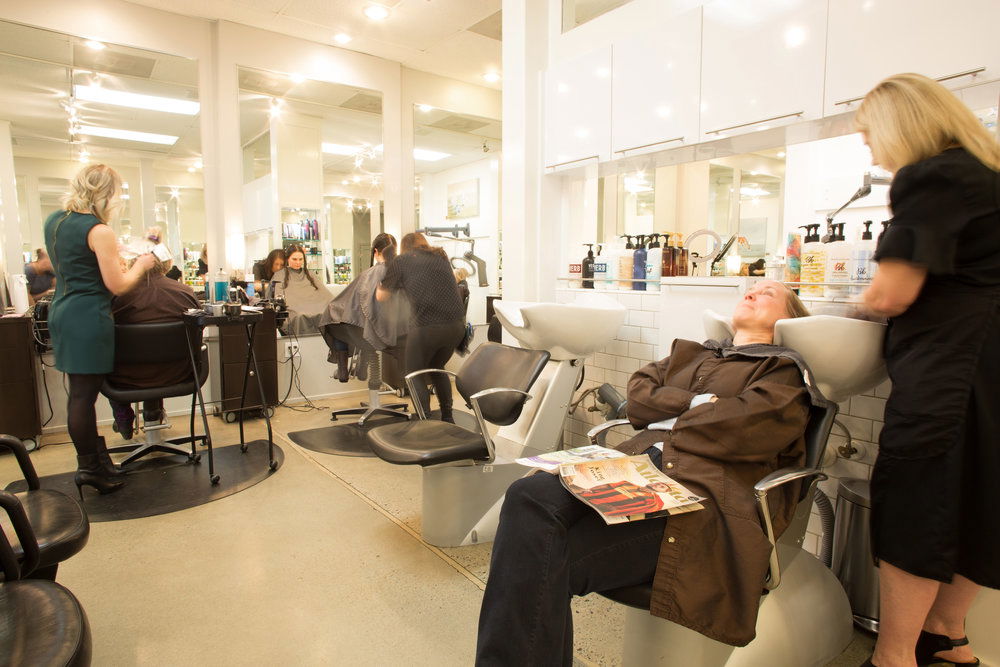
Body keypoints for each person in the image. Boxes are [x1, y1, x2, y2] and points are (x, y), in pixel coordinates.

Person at [476, 280, 813, 664]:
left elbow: (744, 427)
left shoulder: (781, 371)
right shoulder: (692, 353)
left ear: (789, 320)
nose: (752, 292)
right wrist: (701, 403)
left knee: (539, 556)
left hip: (693, 497)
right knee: (527, 495)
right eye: (750, 288)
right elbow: (638, 395)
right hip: (634, 467)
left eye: (769, 293)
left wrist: (668, 412)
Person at [855, 73, 1000, 667]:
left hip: (950, 370)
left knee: (919, 500)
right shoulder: (986, 176)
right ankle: (948, 637)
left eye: (868, 135)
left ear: (899, 124)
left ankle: (894, 657)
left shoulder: (932, 175)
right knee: (980, 499)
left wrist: (855, 306)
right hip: (990, 369)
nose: (870, 149)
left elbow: (892, 293)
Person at [43, 164, 156, 497]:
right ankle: (89, 469)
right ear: (106, 193)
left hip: (63, 311)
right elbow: (118, 285)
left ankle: (97, 462)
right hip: (88, 317)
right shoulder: (99, 230)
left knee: (81, 394)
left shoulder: (55, 221)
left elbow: (74, 263)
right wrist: (140, 265)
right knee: (83, 397)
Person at [105, 254, 201, 440]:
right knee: (160, 356)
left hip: (125, 379)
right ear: (167, 265)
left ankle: (123, 413)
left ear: (135, 265)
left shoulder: (116, 297)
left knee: (107, 356)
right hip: (179, 374)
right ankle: (153, 413)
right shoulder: (185, 292)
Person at [376, 232, 465, 423]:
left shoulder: (401, 261)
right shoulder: (441, 257)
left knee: (413, 372)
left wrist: (379, 281)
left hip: (427, 326)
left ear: (404, 247)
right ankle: (447, 417)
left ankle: (425, 422)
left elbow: (381, 297)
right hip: (456, 326)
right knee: (437, 367)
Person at [319, 233, 406, 383]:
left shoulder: (369, 274)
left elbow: (353, 303)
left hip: (369, 333)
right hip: (396, 332)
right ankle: (362, 363)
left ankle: (343, 367)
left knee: (334, 315)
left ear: (376, 252)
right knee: (362, 324)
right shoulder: (403, 272)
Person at [269, 244, 334, 334]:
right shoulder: (280, 275)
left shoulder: (309, 274)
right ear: (287, 259)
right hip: (296, 310)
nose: (298, 262)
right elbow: (278, 298)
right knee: (299, 315)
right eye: (294, 259)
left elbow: (325, 295)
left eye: (300, 259)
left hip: (314, 306)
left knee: (328, 312)